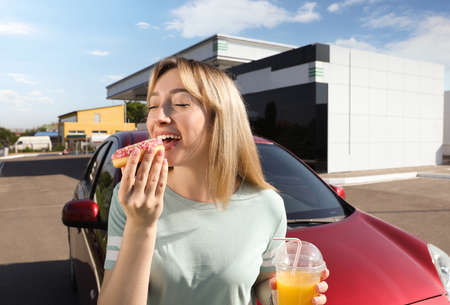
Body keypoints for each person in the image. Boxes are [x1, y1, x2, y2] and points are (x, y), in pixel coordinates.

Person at [97, 57, 329, 305]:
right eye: (153, 106)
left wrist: (280, 298)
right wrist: (140, 225)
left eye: (181, 103)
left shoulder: (268, 205)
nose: (158, 118)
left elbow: (263, 282)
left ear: (221, 119)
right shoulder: (133, 198)